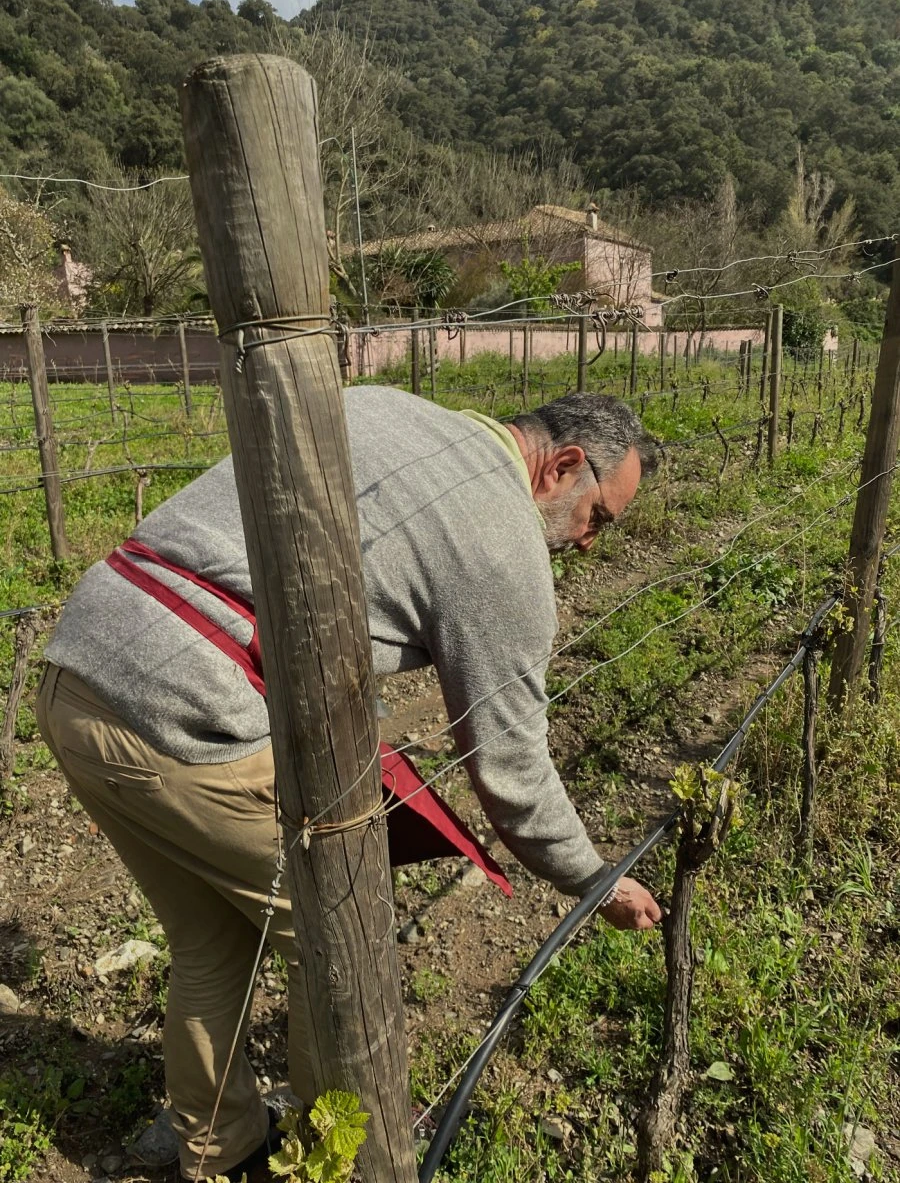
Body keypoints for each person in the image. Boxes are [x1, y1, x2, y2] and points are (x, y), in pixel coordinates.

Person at [36, 386, 663, 1182]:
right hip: (188, 720)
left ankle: (213, 1142)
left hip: (76, 674)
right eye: (597, 518)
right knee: (337, 932)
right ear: (561, 467)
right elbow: (512, 772)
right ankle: (338, 1151)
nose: (588, 545)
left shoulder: (382, 405)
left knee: (213, 937)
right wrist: (598, 882)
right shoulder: (505, 541)